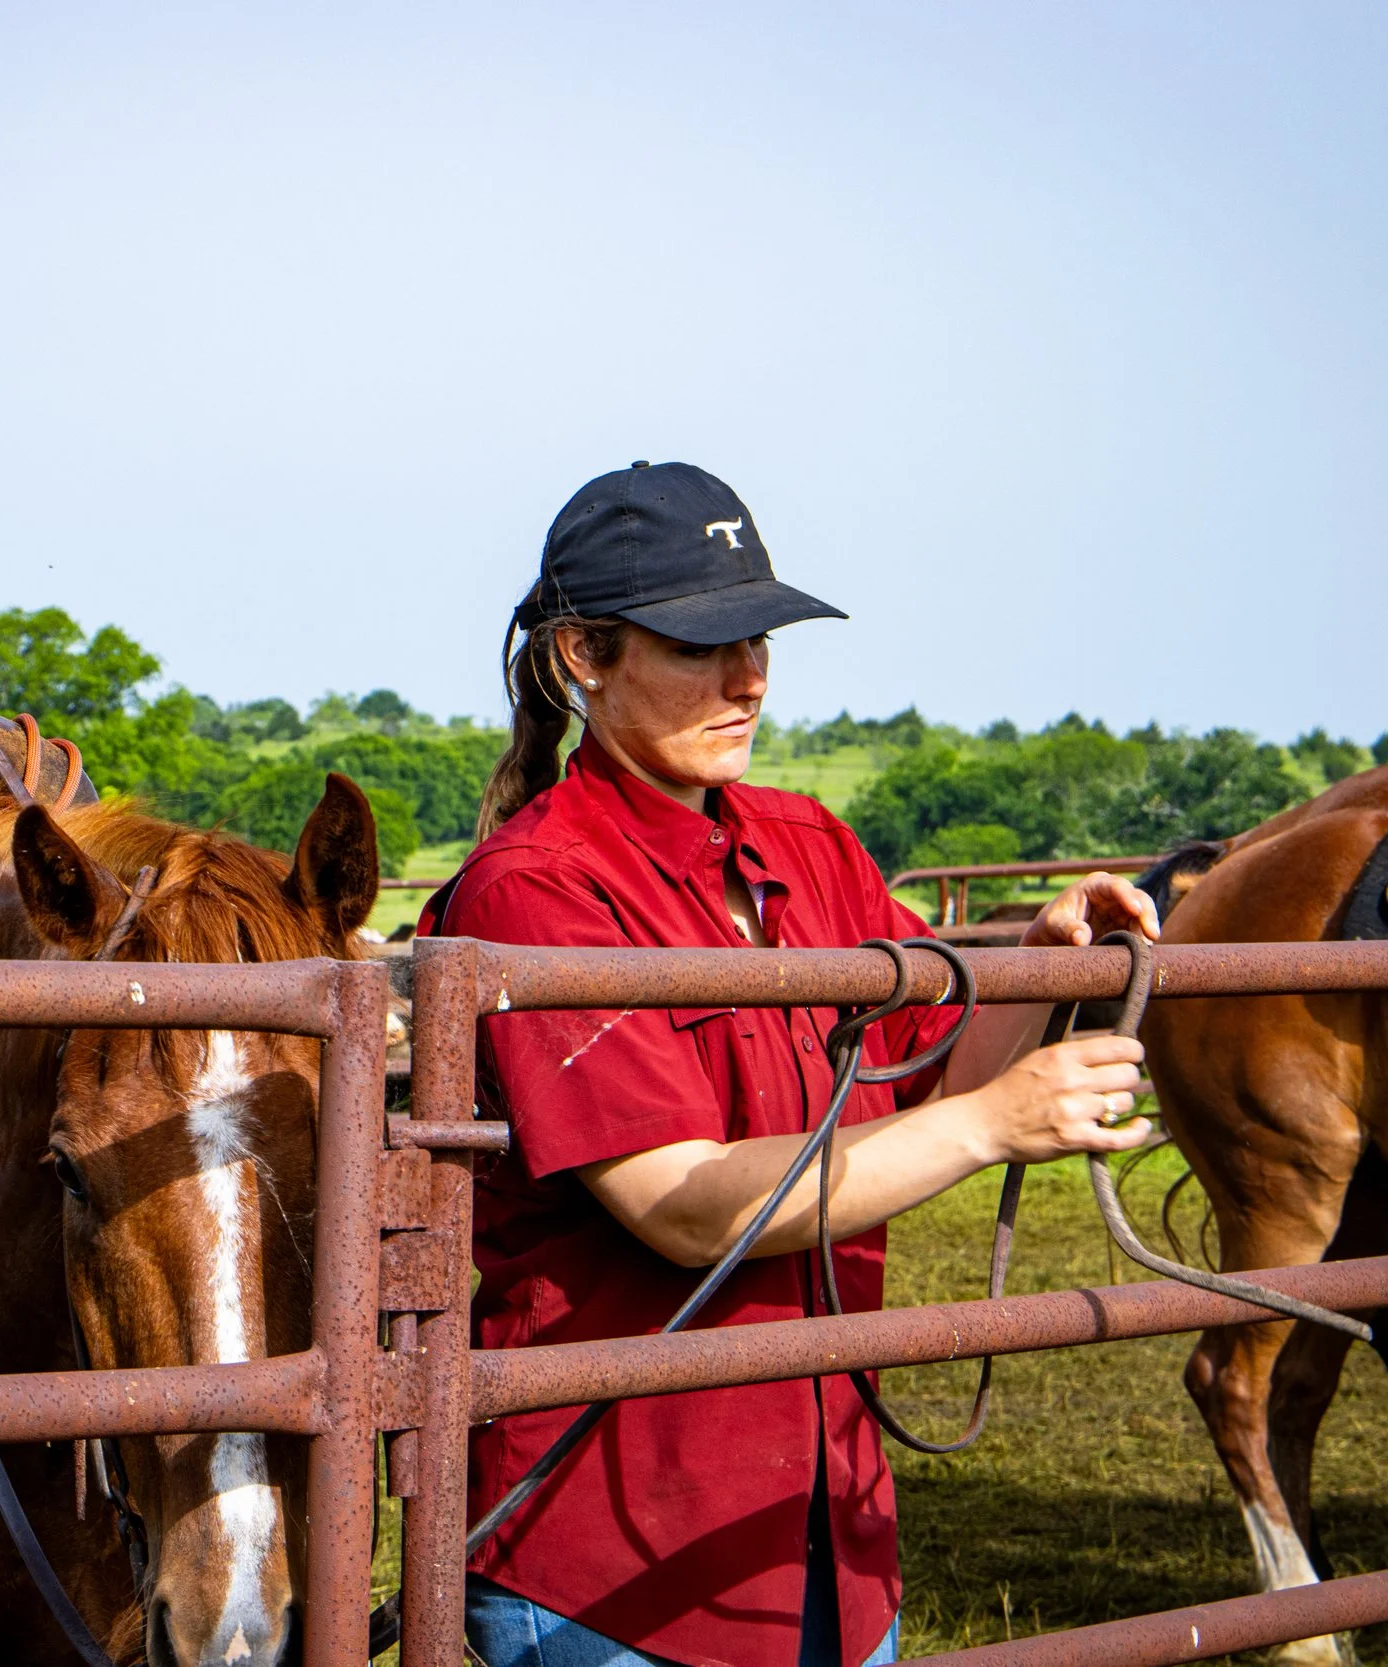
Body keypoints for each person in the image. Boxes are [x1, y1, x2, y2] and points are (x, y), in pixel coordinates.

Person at [418, 462, 1160, 1667]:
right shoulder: (536, 890)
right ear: (579, 659)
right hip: (618, 1551)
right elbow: (683, 1200)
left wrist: (1041, 962)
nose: (748, 674)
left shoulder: (809, 844)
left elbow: (920, 1067)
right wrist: (990, 1126)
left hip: (825, 1521)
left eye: (757, 633)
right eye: (699, 642)